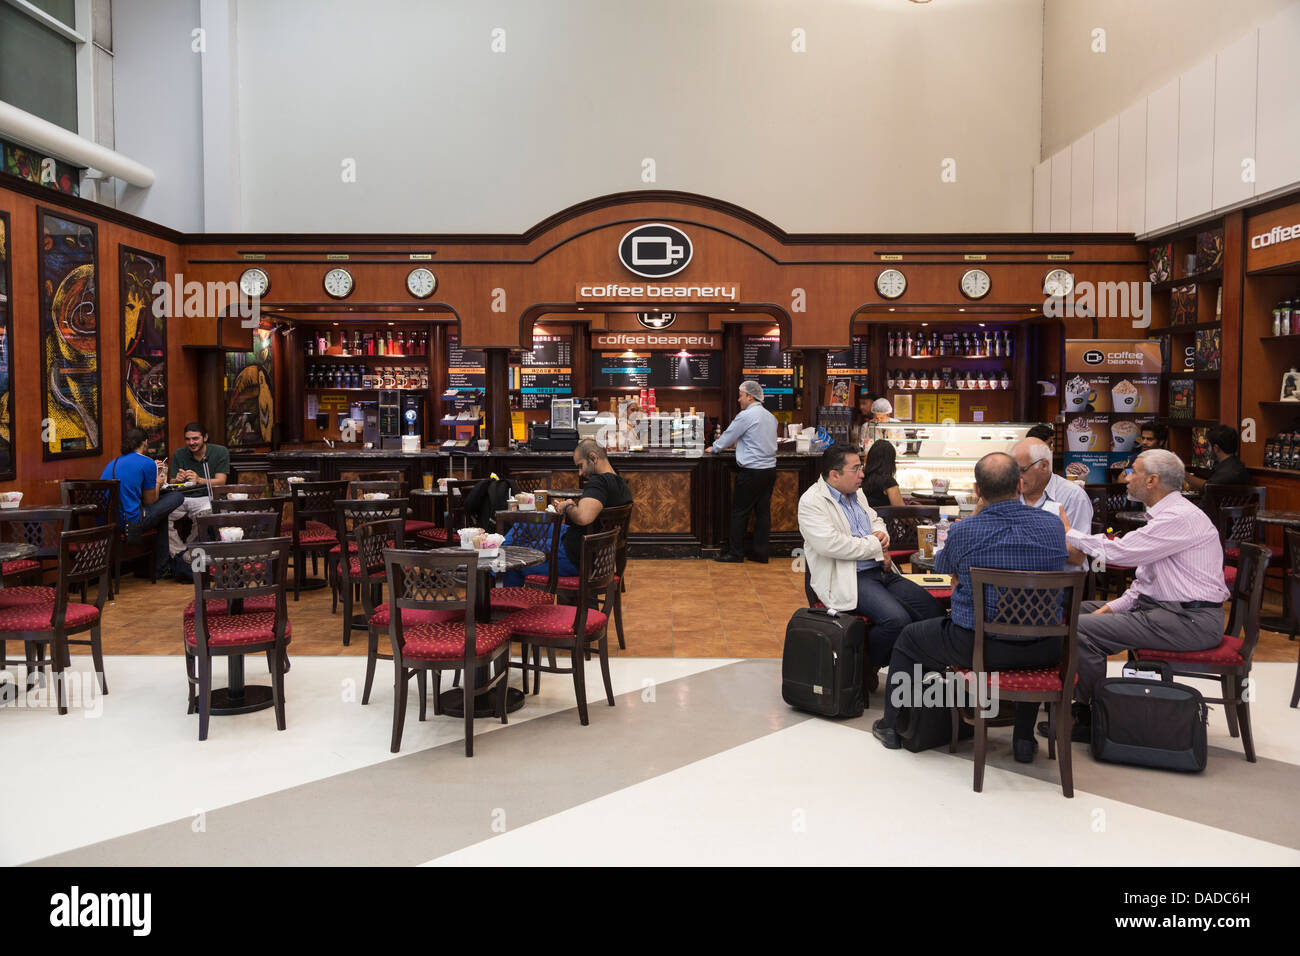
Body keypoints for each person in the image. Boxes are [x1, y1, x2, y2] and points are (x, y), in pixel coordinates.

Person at [872, 452, 1068, 763]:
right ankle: (1023, 737)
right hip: (1044, 648)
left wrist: (977, 513)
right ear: (1020, 484)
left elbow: (943, 566)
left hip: (979, 647)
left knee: (909, 639)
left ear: (977, 491)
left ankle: (892, 725)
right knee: (1028, 627)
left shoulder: (966, 530)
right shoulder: (1053, 526)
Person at [1053, 448, 1230, 741]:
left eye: (1133, 471)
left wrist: (1069, 533)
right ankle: (1068, 695)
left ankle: (1091, 714)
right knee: (1075, 609)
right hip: (1165, 610)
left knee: (1079, 629)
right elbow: (1145, 582)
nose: (1126, 477)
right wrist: (1112, 608)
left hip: (1188, 619)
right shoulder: (1167, 516)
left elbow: (1120, 552)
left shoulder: (1178, 517)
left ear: (1152, 481)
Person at [799, 443, 944, 687]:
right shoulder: (812, 502)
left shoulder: (858, 493)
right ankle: (864, 667)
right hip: (851, 577)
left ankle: (917, 668)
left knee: (933, 612)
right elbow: (832, 545)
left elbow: (875, 519)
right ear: (834, 474)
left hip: (881, 570)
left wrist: (880, 536)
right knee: (896, 620)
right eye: (855, 469)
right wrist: (876, 546)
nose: (862, 475)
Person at [505, 438, 632, 586]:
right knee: (525, 525)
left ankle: (499, 581)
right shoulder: (621, 484)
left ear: (593, 457)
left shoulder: (599, 482)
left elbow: (583, 517)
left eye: (581, 466)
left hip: (576, 556)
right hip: (593, 551)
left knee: (515, 558)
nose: (580, 473)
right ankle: (498, 561)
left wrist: (567, 506)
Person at [706, 380, 778, 563]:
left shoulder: (746, 416)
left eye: (740, 395)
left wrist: (714, 448)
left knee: (740, 512)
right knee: (763, 513)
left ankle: (736, 552)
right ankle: (761, 553)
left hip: (752, 471)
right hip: (769, 471)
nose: (738, 399)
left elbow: (728, 436)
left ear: (750, 396)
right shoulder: (770, 417)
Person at [101, 427, 184, 579]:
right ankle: (160, 569)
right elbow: (150, 500)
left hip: (109, 521)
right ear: (145, 443)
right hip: (131, 522)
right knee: (177, 496)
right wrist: (158, 481)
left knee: (161, 514)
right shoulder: (148, 463)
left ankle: (160, 568)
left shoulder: (112, 463)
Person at [1010, 437, 1093, 568]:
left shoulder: (1073, 496)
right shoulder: (1011, 494)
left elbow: (1077, 555)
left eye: (1022, 470)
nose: (1015, 477)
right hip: (1018, 580)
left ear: (1044, 466)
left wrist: (1022, 540)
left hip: (1060, 582)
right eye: (1012, 471)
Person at [166, 422, 230, 560]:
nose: (191, 442)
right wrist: (177, 480)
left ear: (205, 438)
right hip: (182, 498)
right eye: (188, 439)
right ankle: (180, 553)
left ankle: (191, 550)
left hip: (206, 497)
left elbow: (221, 481)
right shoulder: (179, 454)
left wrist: (199, 479)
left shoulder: (220, 451)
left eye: (195, 438)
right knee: (161, 515)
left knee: (203, 516)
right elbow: (171, 482)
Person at [1186, 424, 1251, 490]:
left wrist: (1183, 474)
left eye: (1208, 445)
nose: (1207, 449)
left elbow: (1207, 487)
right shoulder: (1234, 466)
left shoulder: (1228, 473)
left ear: (1216, 448)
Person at [861, 440, 905, 508]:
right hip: (884, 518)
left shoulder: (861, 477)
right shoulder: (888, 482)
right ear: (890, 461)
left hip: (866, 517)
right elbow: (902, 511)